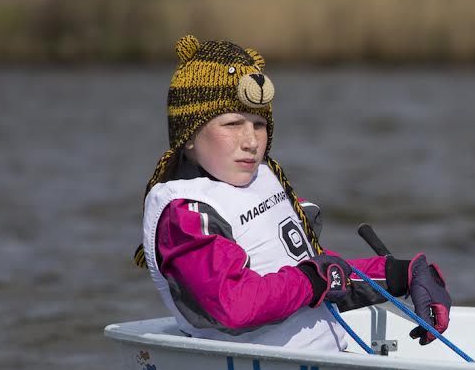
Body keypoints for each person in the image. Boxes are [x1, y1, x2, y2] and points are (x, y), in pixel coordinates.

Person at [133, 35, 451, 352]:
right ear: (188, 135)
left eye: (259, 124)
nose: (251, 141)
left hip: (326, 364)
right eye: (232, 123)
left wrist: (401, 274)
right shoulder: (187, 215)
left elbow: (324, 278)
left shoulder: (265, 180)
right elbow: (234, 304)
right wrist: (313, 280)